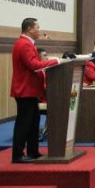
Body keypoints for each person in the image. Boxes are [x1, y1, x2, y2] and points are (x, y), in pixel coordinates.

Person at [10, 18, 61, 163]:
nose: (40, 30)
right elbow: (34, 65)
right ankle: (18, 155)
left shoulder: (28, 43)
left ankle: (32, 151)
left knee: (34, 122)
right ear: (29, 29)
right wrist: (55, 61)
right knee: (24, 123)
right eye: (38, 27)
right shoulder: (24, 44)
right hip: (25, 90)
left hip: (30, 90)